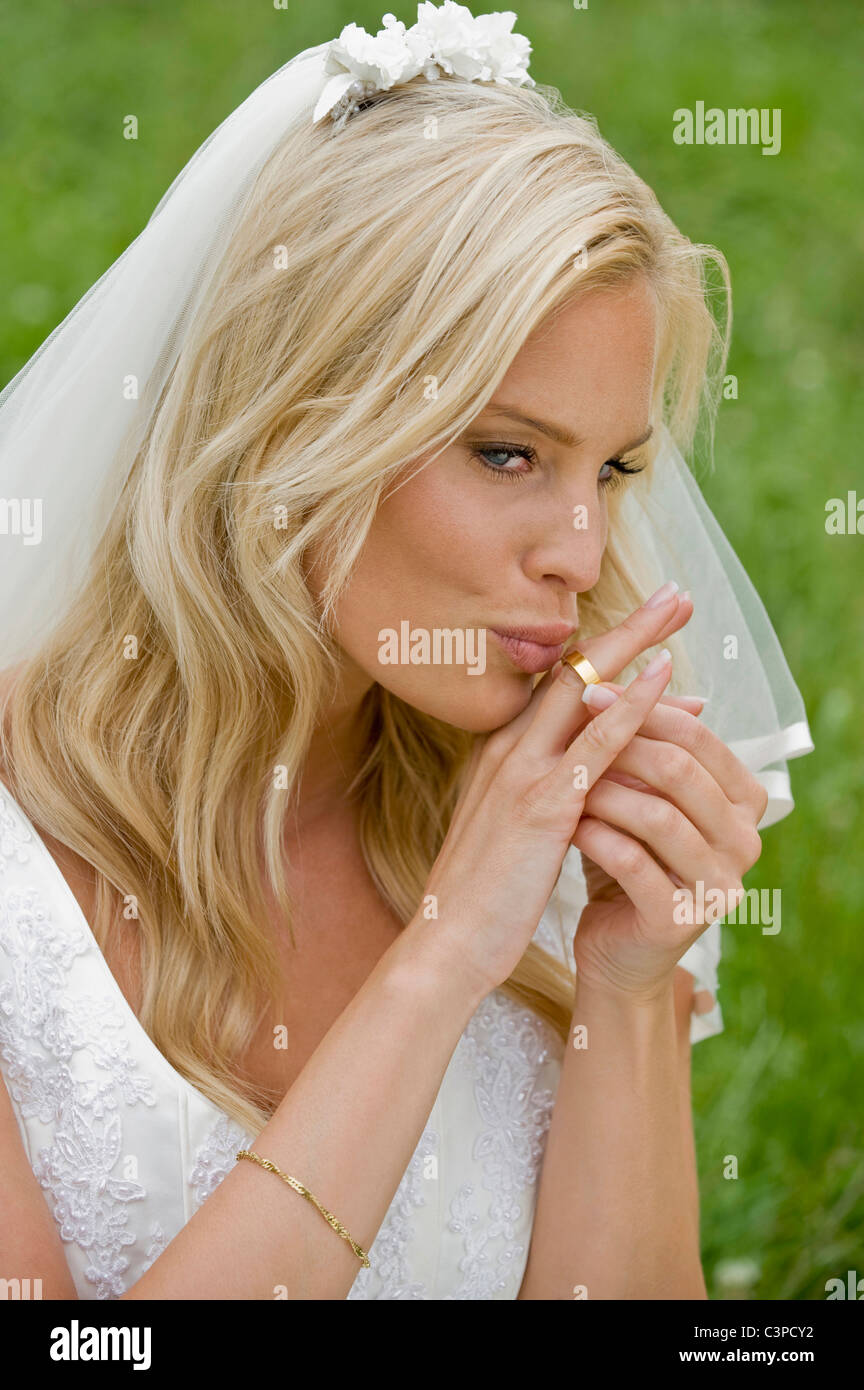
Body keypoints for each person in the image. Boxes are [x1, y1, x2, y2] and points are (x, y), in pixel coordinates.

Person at [0, 4, 812, 1300]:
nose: (584, 551)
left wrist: (626, 977)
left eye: (612, 468)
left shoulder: (549, 837)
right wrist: (441, 957)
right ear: (291, 425)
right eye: (507, 453)